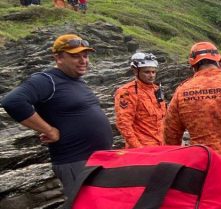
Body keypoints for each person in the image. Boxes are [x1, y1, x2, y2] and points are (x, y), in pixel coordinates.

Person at [1, 34, 112, 197]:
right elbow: (13, 101)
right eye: (75, 56)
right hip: (76, 162)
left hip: (98, 158)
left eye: (85, 56)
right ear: (58, 57)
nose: (83, 60)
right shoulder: (47, 80)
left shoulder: (78, 81)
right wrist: (49, 130)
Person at [114, 52, 166, 148]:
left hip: (161, 146)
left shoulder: (157, 90)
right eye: (147, 72)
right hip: (142, 149)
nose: (151, 75)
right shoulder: (127, 92)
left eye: (153, 72)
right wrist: (138, 148)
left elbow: (163, 119)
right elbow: (123, 123)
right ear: (135, 71)